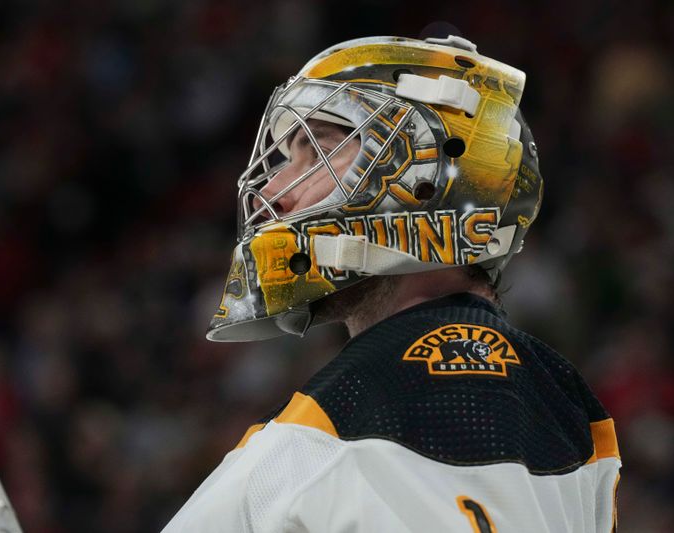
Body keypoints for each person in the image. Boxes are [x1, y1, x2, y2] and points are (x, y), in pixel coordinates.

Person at [162, 35, 621, 532]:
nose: (271, 191)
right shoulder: (574, 409)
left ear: (426, 180)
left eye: (317, 154)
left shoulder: (336, 424)